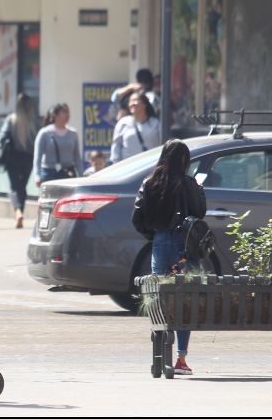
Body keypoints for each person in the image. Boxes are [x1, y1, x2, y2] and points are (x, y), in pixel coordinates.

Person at [132, 139, 206, 376]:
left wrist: (152, 235)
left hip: (159, 244)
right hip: (182, 245)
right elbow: (200, 211)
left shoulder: (149, 183)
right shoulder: (187, 183)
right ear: (183, 160)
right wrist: (198, 188)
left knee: (159, 299)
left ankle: (159, 355)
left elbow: (137, 218)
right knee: (184, 300)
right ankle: (180, 359)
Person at [0, 93, 37, 229]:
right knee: (22, 187)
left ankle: (18, 212)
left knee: (14, 187)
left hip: (12, 158)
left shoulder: (11, 119)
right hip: (28, 159)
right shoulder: (33, 122)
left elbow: (1, 138)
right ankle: (21, 211)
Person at [33, 104, 83, 187]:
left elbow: (77, 157)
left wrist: (81, 175)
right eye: (64, 112)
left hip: (68, 172)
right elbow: (37, 157)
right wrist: (37, 175)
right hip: (50, 172)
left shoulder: (73, 133)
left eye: (68, 112)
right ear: (55, 115)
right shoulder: (45, 133)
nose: (67, 115)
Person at [110, 92, 161, 164]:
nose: (132, 104)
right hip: (129, 169)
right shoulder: (123, 123)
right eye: (130, 101)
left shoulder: (155, 124)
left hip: (150, 167)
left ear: (145, 104)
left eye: (135, 100)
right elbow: (116, 146)